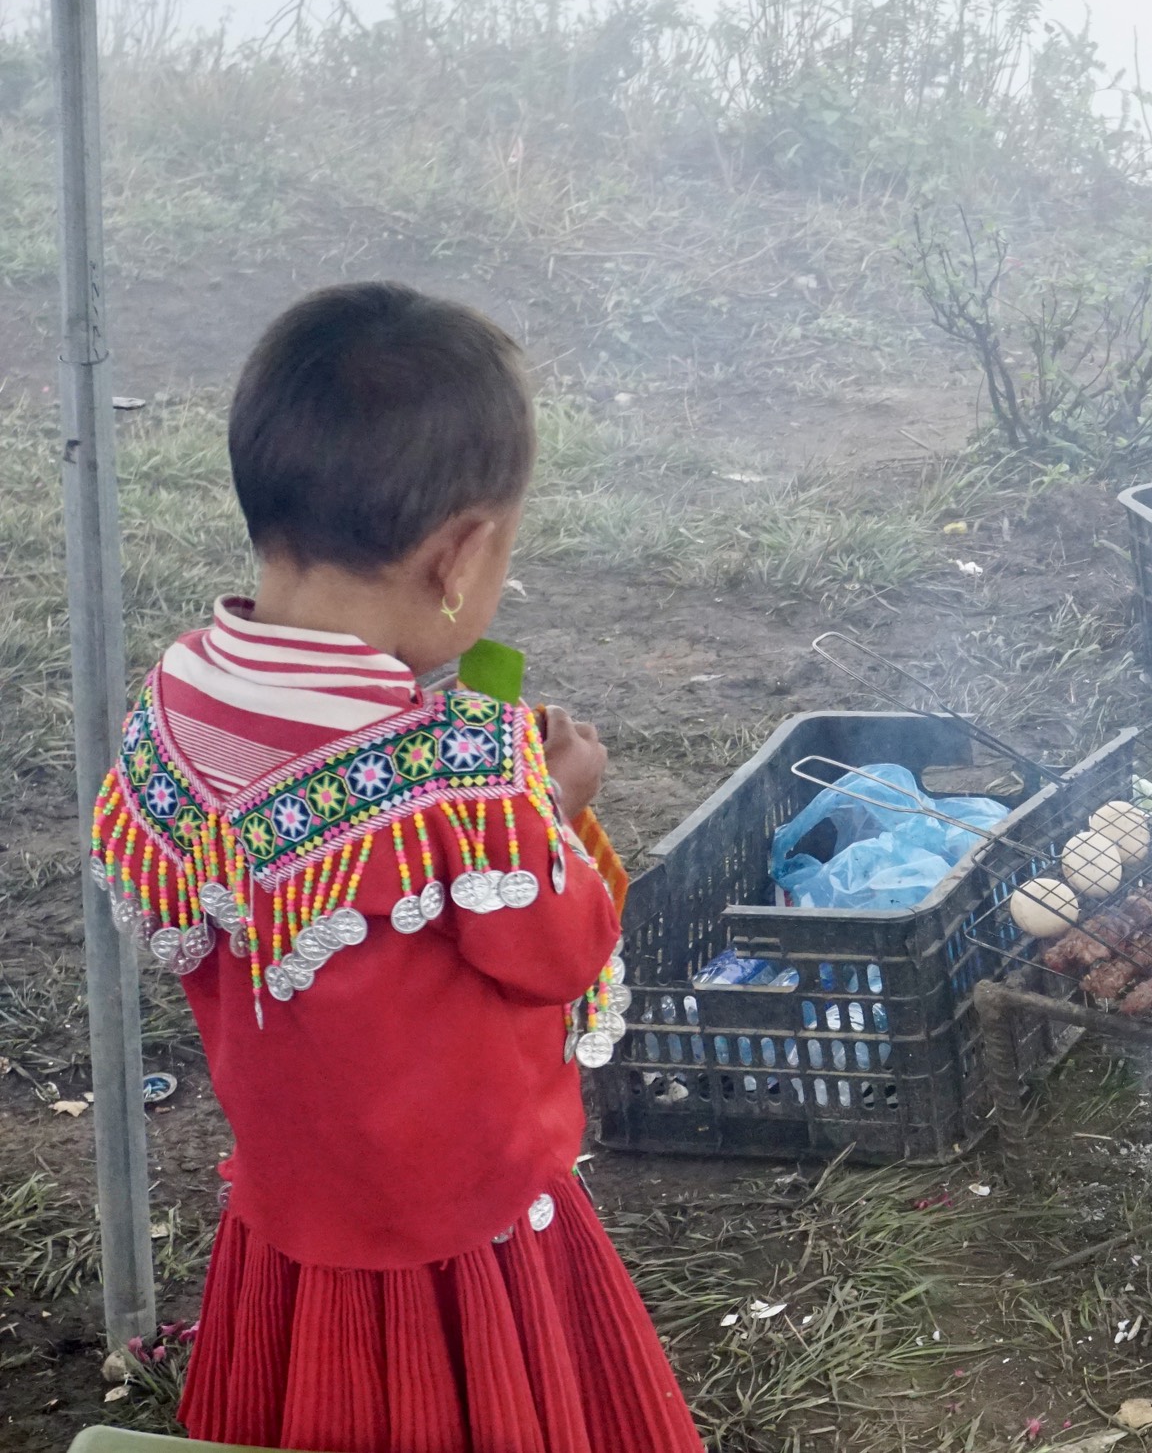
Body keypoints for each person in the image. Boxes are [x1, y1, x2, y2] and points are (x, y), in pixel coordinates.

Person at [91, 284, 701, 1451]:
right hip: (460, 1237)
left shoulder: (172, 705)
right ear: (461, 555)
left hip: (293, 1216)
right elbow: (559, 951)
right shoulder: (463, 772)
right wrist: (557, 804)